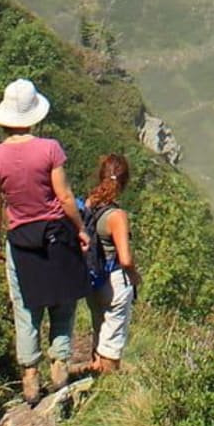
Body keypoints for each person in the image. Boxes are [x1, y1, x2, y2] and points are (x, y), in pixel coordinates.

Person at [0, 78, 91, 405]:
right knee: (63, 299)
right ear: (35, 116)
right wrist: (81, 228)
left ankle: (30, 375)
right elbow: (66, 196)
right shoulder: (50, 149)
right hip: (57, 232)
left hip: (21, 240)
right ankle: (60, 363)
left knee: (26, 307)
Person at [82, 153, 141, 373]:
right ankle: (108, 383)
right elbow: (125, 258)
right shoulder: (117, 215)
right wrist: (135, 276)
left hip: (92, 277)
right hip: (114, 280)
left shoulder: (90, 204)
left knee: (99, 327)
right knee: (113, 336)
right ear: (124, 182)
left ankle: (95, 369)